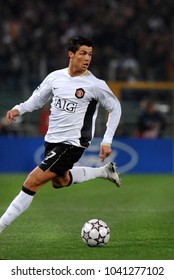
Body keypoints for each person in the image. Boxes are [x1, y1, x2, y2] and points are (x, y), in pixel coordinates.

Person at [0, 36, 121, 234]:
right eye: (83, 53)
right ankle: (103, 172)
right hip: (52, 141)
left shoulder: (95, 85)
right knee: (60, 181)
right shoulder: (55, 77)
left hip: (73, 144)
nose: (87, 58)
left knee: (32, 181)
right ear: (71, 54)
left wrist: (107, 140)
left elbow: (115, 108)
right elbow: (37, 100)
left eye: (90, 54)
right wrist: (18, 109)